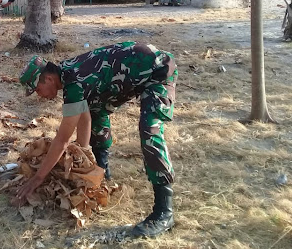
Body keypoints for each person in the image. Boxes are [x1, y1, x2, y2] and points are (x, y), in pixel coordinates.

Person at [17, 42, 177, 238]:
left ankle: (164, 211)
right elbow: (85, 116)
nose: (39, 96)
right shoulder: (68, 73)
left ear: (49, 79)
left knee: (149, 130)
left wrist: (38, 178)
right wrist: (85, 165)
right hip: (135, 73)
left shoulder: (74, 81)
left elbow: (62, 140)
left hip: (158, 70)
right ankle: (102, 173)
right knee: (96, 110)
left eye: (37, 89)